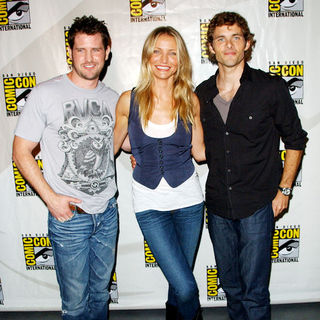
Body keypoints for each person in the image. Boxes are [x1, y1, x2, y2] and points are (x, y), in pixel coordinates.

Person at [195, 12, 307, 320]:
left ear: (247, 44)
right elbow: (192, 145)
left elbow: (296, 140)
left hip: (258, 204)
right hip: (218, 205)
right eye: (221, 38)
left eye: (236, 38)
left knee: (255, 293)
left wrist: (284, 190)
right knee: (231, 288)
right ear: (211, 47)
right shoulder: (201, 94)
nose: (228, 45)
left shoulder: (270, 88)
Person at [12, 15, 118, 320]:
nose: (89, 58)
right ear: (70, 52)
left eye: (95, 50)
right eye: (81, 50)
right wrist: (51, 199)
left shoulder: (113, 98)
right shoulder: (45, 93)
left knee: (100, 296)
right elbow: (21, 152)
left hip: (107, 214)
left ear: (107, 51)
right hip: (70, 217)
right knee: (74, 304)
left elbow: (118, 144)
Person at [114, 26, 205, 320]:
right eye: (157, 51)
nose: (164, 59)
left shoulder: (190, 99)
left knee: (179, 283)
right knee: (187, 287)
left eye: (172, 52)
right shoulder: (129, 100)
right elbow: (115, 145)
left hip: (189, 202)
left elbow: (201, 151)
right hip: (149, 203)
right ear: (147, 56)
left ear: (180, 60)